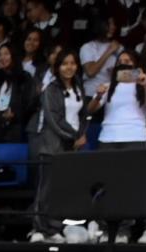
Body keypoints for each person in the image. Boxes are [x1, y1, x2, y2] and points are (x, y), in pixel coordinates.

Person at [91, 48, 146, 242]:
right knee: (106, 184)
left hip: (135, 137)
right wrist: (96, 95)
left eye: (129, 60)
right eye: (121, 60)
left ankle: (124, 230)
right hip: (108, 138)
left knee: (129, 185)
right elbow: (91, 109)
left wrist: (145, 85)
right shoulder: (108, 84)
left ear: (136, 64)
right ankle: (105, 228)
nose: (125, 62)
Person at [31, 48, 87, 241]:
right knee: (46, 190)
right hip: (53, 145)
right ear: (57, 67)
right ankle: (39, 228)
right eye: (64, 64)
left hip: (72, 146)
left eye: (72, 63)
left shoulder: (79, 87)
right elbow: (54, 120)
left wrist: (82, 134)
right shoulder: (51, 90)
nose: (69, 67)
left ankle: (54, 228)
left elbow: (83, 115)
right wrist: (73, 136)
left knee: (62, 190)